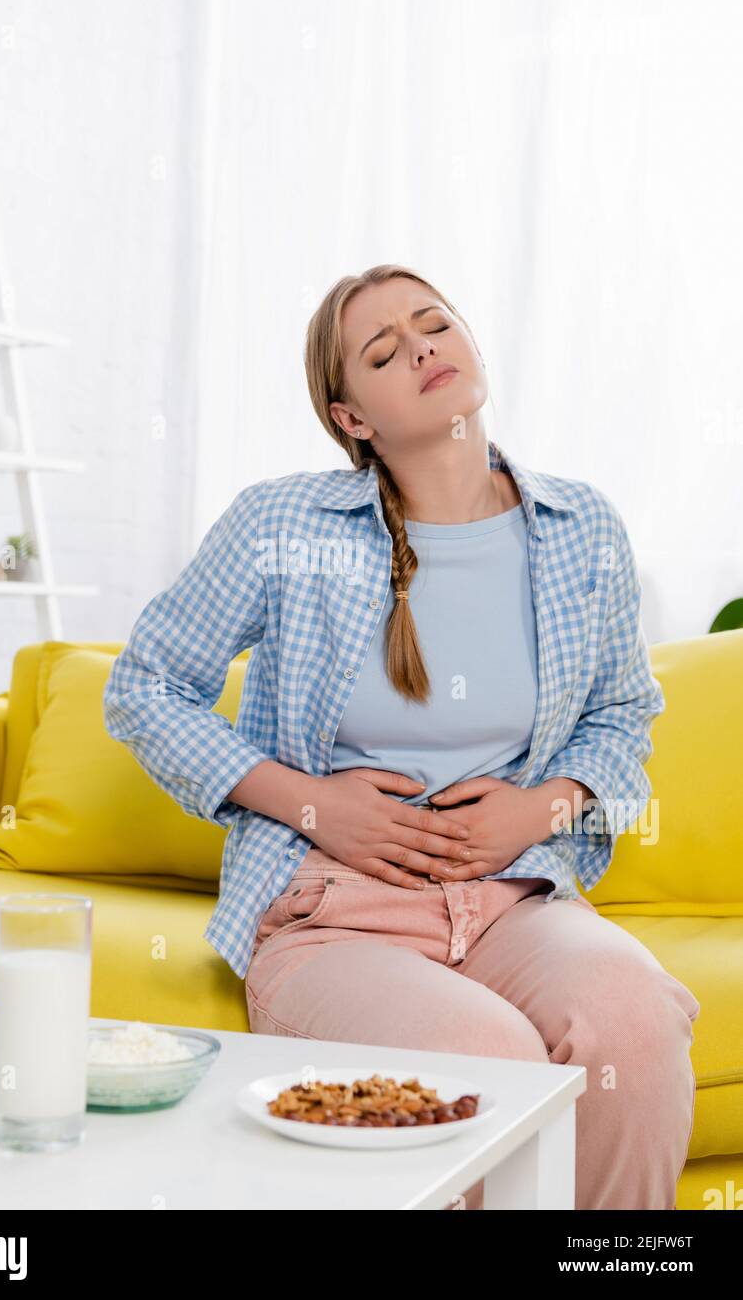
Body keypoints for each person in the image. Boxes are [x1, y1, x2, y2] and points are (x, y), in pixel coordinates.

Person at [103, 263, 700, 1210]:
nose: (420, 346)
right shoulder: (281, 524)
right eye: (382, 352)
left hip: (512, 900)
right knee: (486, 1060)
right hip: (332, 914)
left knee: (632, 1018)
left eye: (434, 325)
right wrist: (311, 803)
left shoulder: (581, 527)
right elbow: (145, 687)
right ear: (352, 420)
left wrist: (537, 810)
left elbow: (623, 713)